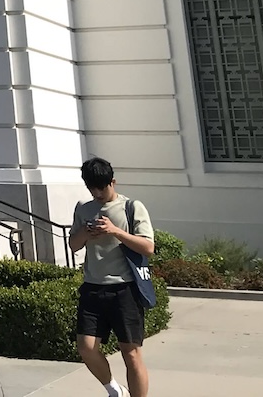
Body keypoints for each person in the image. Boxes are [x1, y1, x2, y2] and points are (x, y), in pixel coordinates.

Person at [70, 156, 155, 397]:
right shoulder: (83, 208)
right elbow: (73, 245)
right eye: (92, 188)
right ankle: (115, 391)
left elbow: (148, 247)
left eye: (102, 188)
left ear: (113, 182)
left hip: (125, 289)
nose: (97, 193)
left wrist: (115, 231)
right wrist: (85, 233)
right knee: (86, 348)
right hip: (92, 288)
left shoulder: (132, 207)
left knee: (131, 353)